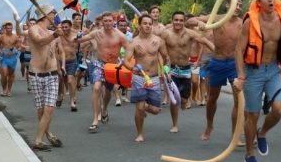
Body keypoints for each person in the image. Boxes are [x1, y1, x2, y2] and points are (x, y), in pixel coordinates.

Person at [233, 0, 281, 162]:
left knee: (279, 109)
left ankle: (263, 132)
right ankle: (249, 154)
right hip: (254, 72)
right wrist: (241, 75)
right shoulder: (250, 22)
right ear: (258, 2)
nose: (270, 0)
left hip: (273, 70)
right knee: (252, 115)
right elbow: (238, 49)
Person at [186, 0, 244, 144]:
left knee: (239, 100)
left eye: (240, 5)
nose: (237, 7)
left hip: (234, 64)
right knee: (212, 98)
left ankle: (235, 135)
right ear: (227, 5)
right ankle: (209, 125)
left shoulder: (242, 23)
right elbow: (189, 22)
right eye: (235, 4)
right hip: (217, 62)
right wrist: (199, 23)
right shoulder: (217, 19)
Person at [75, 11, 128, 133]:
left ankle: (104, 110)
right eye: (105, 21)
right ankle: (95, 119)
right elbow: (79, 41)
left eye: (110, 21)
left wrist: (125, 62)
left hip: (113, 65)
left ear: (113, 21)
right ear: (102, 22)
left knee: (108, 92)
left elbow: (128, 49)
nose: (108, 23)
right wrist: (77, 36)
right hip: (99, 64)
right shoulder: (97, 33)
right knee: (97, 88)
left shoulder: (120, 35)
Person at [162, 11, 214, 133]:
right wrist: (164, 64)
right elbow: (156, 44)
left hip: (186, 69)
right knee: (174, 98)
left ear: (184, 21)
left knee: (184, 101)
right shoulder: (166, 34)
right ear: (172, 20)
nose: (178, 22)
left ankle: (185, 101)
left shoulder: (190, 34)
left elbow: (205, 42)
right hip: (172, 69)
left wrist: (218, 53)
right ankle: (175, 124)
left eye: (181, 20)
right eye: (176, 20)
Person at [123, 14, 168, 142]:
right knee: (139, 107)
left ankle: (147, 107)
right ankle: (140, 134)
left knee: (156, 110)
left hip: (154, 78)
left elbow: (165, 57)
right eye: (145, 23)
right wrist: (132, 68)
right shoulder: (133, 42)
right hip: (139, 77)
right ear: (139, 25)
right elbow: (126, 61)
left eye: (150, 23)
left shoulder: (159, 41)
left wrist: (165, 70)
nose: (148, 25)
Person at [27, 4, 64, 151]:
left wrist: (61, 68)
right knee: (41, 109)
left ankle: (38, 140)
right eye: (53, 13)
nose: (54, 15)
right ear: (46, 14)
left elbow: (56, 52)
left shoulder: (52, 31)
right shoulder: (33, 29)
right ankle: (48, 133)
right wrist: (55, 35)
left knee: (49, 108)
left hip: (52, 73)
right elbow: (40, 42)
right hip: (36, 73)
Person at [0, 17, 21, 97]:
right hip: (4, 58)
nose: (9, 29)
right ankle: (4, 90)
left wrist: (15, 50)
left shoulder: (15, 37)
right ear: (5, 28)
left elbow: (19, 46)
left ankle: (9, 90)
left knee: (11, 75)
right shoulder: (1, 37)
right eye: (7, 28)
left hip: (13, 58)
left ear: (12, 28)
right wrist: (2, 51)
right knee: (4, 74)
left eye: (10, 28)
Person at [59, 19, 80, 111]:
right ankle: (61, 95)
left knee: (70, 81)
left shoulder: (75, 36)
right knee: (62, 80)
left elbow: (83, 42)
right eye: (63, 27)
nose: (64, 29)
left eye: (66, 27)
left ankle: (72, 101)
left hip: (72, 61)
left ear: (70, 27)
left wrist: (78, 38)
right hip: (60, 62)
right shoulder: (59, 37)